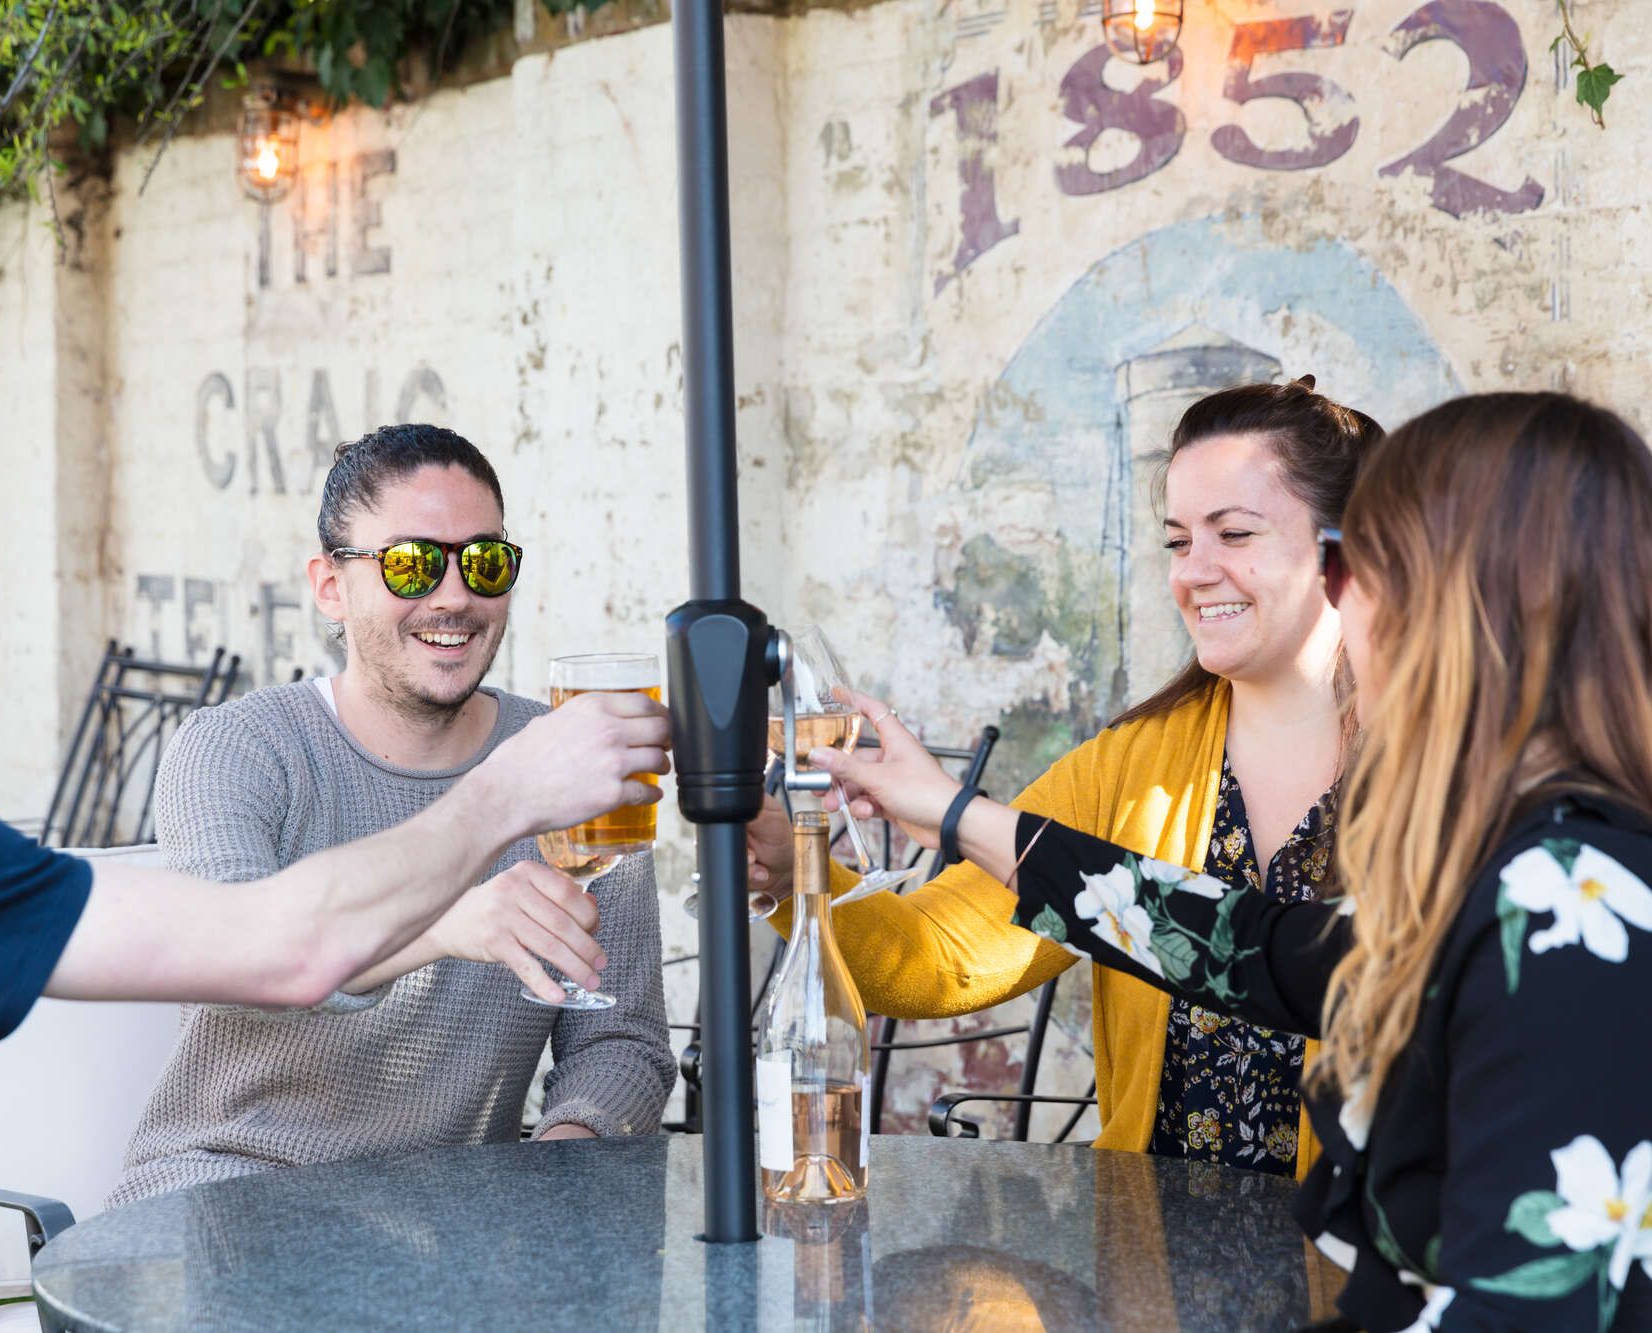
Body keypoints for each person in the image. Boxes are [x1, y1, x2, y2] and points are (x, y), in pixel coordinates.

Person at [0, 352, 668, 1330]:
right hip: (227, 1246)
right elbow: (272, 951)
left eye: (481, 561)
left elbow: (277, 941)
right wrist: (502, 803)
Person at [815, 391, 1652, 1331]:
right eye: (1178, 539)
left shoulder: (1567, 905)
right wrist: (947, 812)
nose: (1350, 601)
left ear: (1472, 609)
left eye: (1369, 569)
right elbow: (1240, 945)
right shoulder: (1513, 871)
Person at [750, 376, 1380, 1177]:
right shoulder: (1131, 765)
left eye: (1236, 533)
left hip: (1363, 1280)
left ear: (1348, 546)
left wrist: (955, 814)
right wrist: (787, 866)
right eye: (1179, 541)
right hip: (1153, 1271)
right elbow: (935, 955)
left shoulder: (1446, 775)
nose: (1193, 572)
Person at [108, 425, 676, 1204]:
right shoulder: (237, 749)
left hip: (457, 1219)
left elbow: (623, 1040)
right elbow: (238, 966)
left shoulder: (569, 760)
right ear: (330, 586)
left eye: (483, 561)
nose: (453, 596)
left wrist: (558, 1164)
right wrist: (448, 925)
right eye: (410, 564)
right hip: (227, 1198)